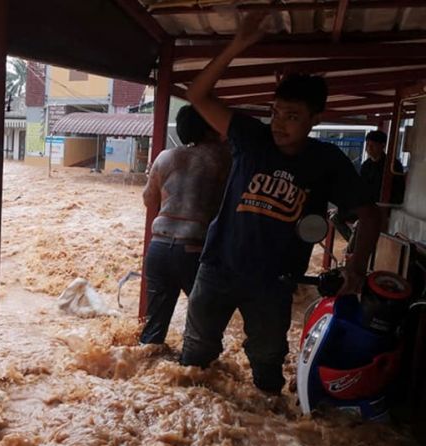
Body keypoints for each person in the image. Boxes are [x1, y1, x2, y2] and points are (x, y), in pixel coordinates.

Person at [181, 12, 382, 394]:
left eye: (292, 116)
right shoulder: (250, 137)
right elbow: (197, 95)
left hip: (273, 283)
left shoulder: (327, 161)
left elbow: (370, 217)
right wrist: (238, 44)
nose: (279, 124)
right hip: (217, 269)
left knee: (268, 371)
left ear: (315, 119)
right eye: (276, 112)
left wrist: (355, 271)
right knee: (194, 363)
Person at [140, 106, 232, 345]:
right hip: (194, 250)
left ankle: (149, 368)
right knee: (204, 329)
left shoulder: (165, 157)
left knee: (152, 333)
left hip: (158, 248)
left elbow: (149, 200)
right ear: (211, 126)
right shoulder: (226, 157)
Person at [360, 130, 406, 204]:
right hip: (369, 205)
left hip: (387, 206)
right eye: (367, 145)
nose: (369, 148)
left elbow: (399, 189)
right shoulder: (365, 165)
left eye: (372, 145)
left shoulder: (393, 165)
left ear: (382, 145)